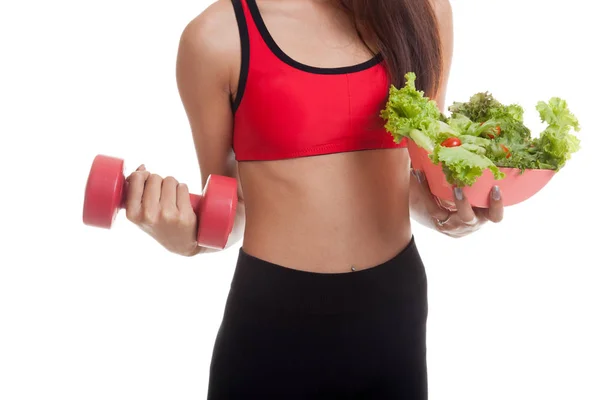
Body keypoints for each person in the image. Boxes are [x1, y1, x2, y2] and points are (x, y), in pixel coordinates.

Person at [123, 0, 504, 398]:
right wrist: (186, 238)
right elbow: (231, 207)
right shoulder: (217, 38)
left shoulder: (423, 11)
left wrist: (448, 210)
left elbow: (419, 171)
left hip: (394, 313)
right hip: (274, 323)